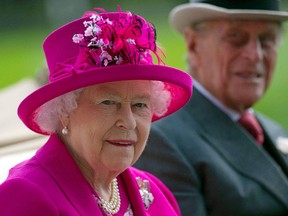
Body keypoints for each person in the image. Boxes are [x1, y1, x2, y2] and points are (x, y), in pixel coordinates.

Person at [0, 7, 192, 215]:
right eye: (108, 102)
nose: (128, 122)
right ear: (64, 110)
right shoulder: (25, 195)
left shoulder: (152, 189)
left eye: (139, 105)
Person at [135, 0, 288, 215]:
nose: (255, 55)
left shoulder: (274, 131)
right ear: (193, 44)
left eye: (267, 40)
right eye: (236, 38)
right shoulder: (163, 142)